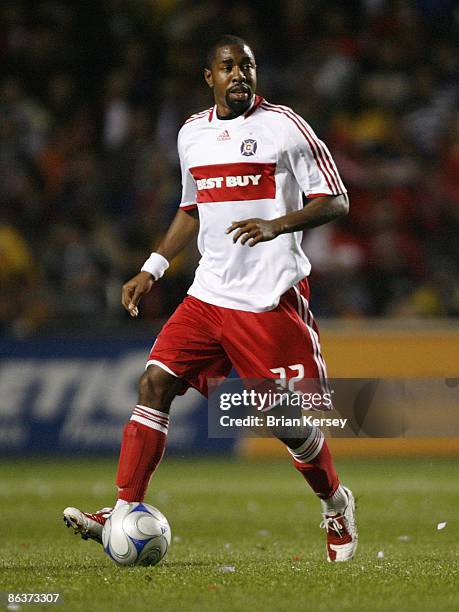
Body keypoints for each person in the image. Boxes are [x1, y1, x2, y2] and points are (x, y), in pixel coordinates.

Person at [63, 35, 357, 562]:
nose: (240, 74)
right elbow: (191, 207)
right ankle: (126, 507)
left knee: (285, 422)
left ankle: (335, 502)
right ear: (209, 77)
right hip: (208, 294)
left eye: (247, 65)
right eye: (229, 67)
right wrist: (152, 268)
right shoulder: (191, 134)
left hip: (269, 298)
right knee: (154, 381)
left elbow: (335, 200)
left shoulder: (285, 126)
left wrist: (276, 225)